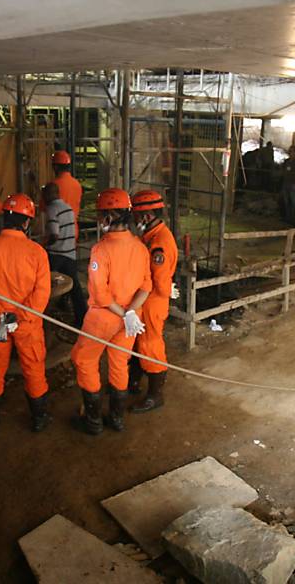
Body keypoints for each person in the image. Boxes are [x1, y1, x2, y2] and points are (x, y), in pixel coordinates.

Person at [0, 194, 52, 434]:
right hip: (27, 325)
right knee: (33, 368)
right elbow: (41, 293)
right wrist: (21, 316)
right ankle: (39, 420)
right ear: (27, 222)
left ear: (5, 218)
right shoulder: (36, 253)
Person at [71, 188, 152, 435]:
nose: (98, 219)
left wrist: (122, 312)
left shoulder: (101, 250)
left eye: (100, 215)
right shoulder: (140, 247)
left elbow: (101, 294)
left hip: (104, 317)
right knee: (119, 363)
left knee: (84, 359)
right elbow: (146, 286)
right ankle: (116, 419)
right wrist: (129, 312)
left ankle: (94, 421)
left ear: (109, 217)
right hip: (129, 320)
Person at [128, 190, 179, 413]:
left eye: (137, 217)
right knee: (140, 343)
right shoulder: (151, 236)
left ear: (147, 216)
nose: (134, 222)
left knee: (150, 345)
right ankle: (133, 382)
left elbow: (159, 280)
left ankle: (155, 395)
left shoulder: (159, 243)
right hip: (147, 300)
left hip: (152, 302)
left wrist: (168, 291)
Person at [41, 182, 87, 327]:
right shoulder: (68, 208)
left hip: (56, 254)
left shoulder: (52, 209)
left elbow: (54, 234)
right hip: (70, 253)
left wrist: (43, 246)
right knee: (75, 288)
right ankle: (82, 319)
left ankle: (40, 319)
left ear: (49, 194)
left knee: (42, 286)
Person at [50, 150, 83, 233]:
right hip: (73, 230)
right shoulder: (77, 184)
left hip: (57, 232)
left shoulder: (52, 186)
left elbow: (43, 212)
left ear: (55, 167)